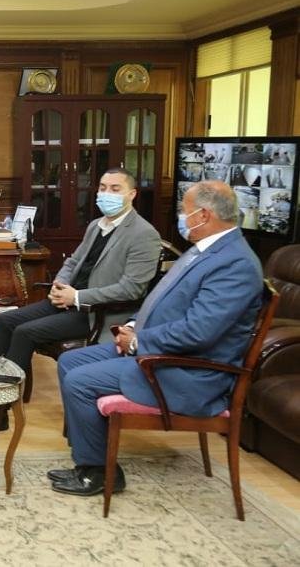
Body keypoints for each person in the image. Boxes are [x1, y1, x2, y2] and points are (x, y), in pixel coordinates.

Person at [49, 180, 263, 496]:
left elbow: (199, 332)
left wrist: (138, 341)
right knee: (70, 361)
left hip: (188, 371)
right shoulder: (205, 249)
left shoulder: (236, 264)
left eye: (184, 211)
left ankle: (99, 473)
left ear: (204, 215)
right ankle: (89, 451)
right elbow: (161, 302)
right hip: (160, 351)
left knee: (80, 381)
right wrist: (133, 326)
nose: (180, 217)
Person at [0, 169, 161, 434]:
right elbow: (73, 262)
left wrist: (77, 296)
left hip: (96, 312)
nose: (106, 194)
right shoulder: (97, 225)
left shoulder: (144, 234)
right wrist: (60, 284)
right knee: (4, 321)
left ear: (132, 194)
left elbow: (132, 288)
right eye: (103, 187)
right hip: (67, 300)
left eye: (115, 189)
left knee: (24, 332)